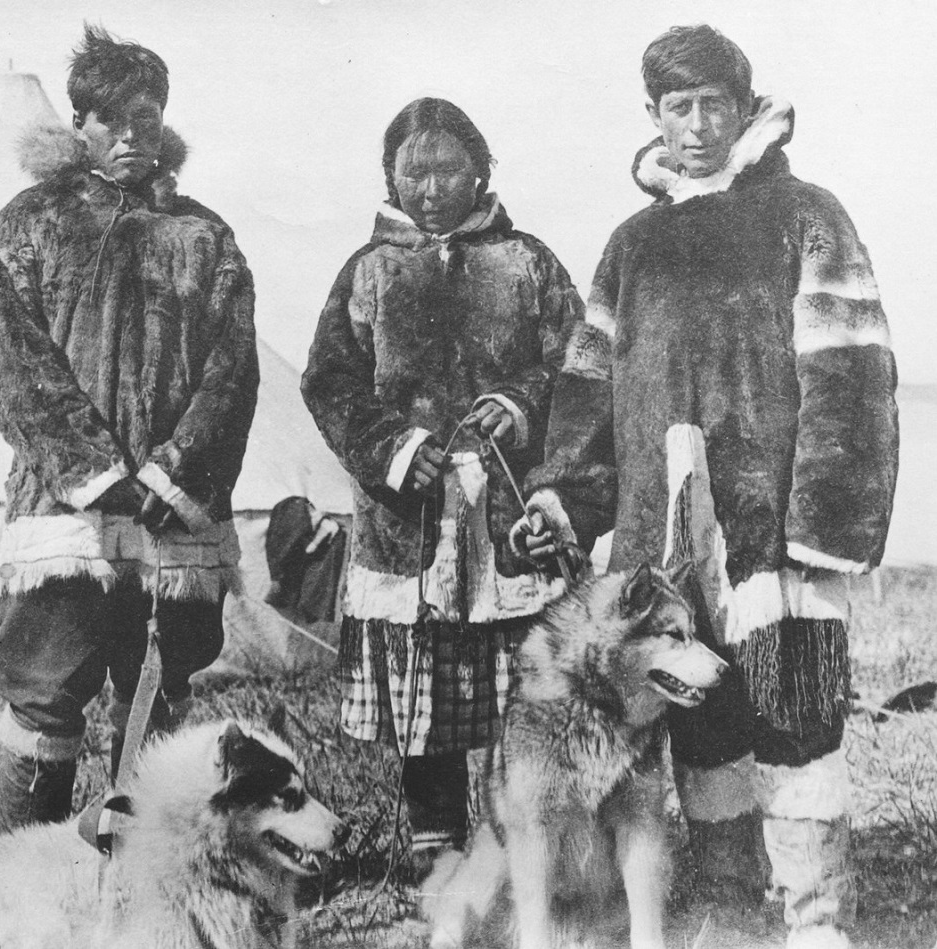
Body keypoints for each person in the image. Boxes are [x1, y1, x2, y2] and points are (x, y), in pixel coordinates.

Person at [512, 25, 897, 949]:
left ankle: (813, 917)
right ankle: (726, 904)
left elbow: (852, 375)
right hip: (661, 544)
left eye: (713, 104)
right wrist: (563, 494)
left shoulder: (805, 215)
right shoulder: (631, 245)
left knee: (795, 717)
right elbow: (586, 395)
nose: (696, 125)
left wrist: (824, 521)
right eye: (677, 107)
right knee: (703, 724)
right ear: (654, 117)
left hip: (776, 536)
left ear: (745, 105)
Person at [0, 24, 258, 828]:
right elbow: (11, 364)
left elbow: (232, 374)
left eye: (147, 112)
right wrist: (94, 473)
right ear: (79, 122)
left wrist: (174, 474)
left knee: (160, 692)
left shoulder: (203, 237)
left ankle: (143, 871)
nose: (132, 130)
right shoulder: (30, 224)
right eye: (110, 116)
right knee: (45, 687)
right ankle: (23, 867)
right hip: (68, 518)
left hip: (174, 517)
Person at [301, 97, 583, 875]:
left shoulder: (527, 263)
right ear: (389, 177)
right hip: (409, 514)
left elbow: (580, 362)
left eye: (447, 168)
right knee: (424, 683)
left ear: (481, 170)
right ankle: (436, 848)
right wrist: (392, 448)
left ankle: (523, 844)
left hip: (508, 516)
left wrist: (522, 402)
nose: (430, 188)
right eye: (412, 171)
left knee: (518, 687)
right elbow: (330, 382)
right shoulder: (370, 270)